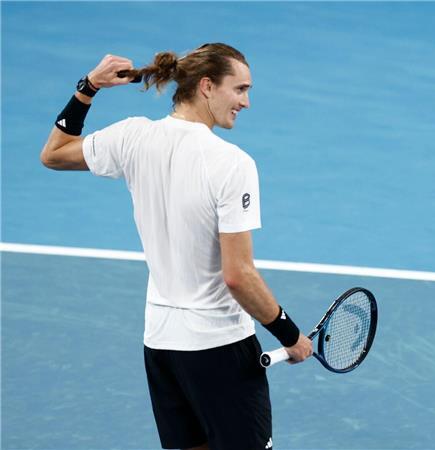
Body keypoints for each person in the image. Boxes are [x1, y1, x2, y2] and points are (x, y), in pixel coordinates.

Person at [40, 43, 313, 450]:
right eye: (239, 89)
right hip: (219, 347)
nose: (247, 102)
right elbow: (238, 276)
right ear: (206, 86)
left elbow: (54, 154)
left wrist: (87, 88)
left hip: (162, 346)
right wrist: (289, 334)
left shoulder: (133, 136)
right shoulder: (231, 163)